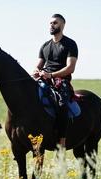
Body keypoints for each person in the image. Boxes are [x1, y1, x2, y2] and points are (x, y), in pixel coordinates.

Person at [33, 14, 78, 148]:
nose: (51, 26)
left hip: (61, 80)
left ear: (62, 25)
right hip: (44, 78)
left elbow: (70, 68)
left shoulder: (70, 44)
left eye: (55, 23)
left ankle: (62, 140)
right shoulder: (45, 46)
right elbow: (38, 65)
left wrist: (51, 75)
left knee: (62, 103)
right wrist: (36, 71)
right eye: (50, 23)